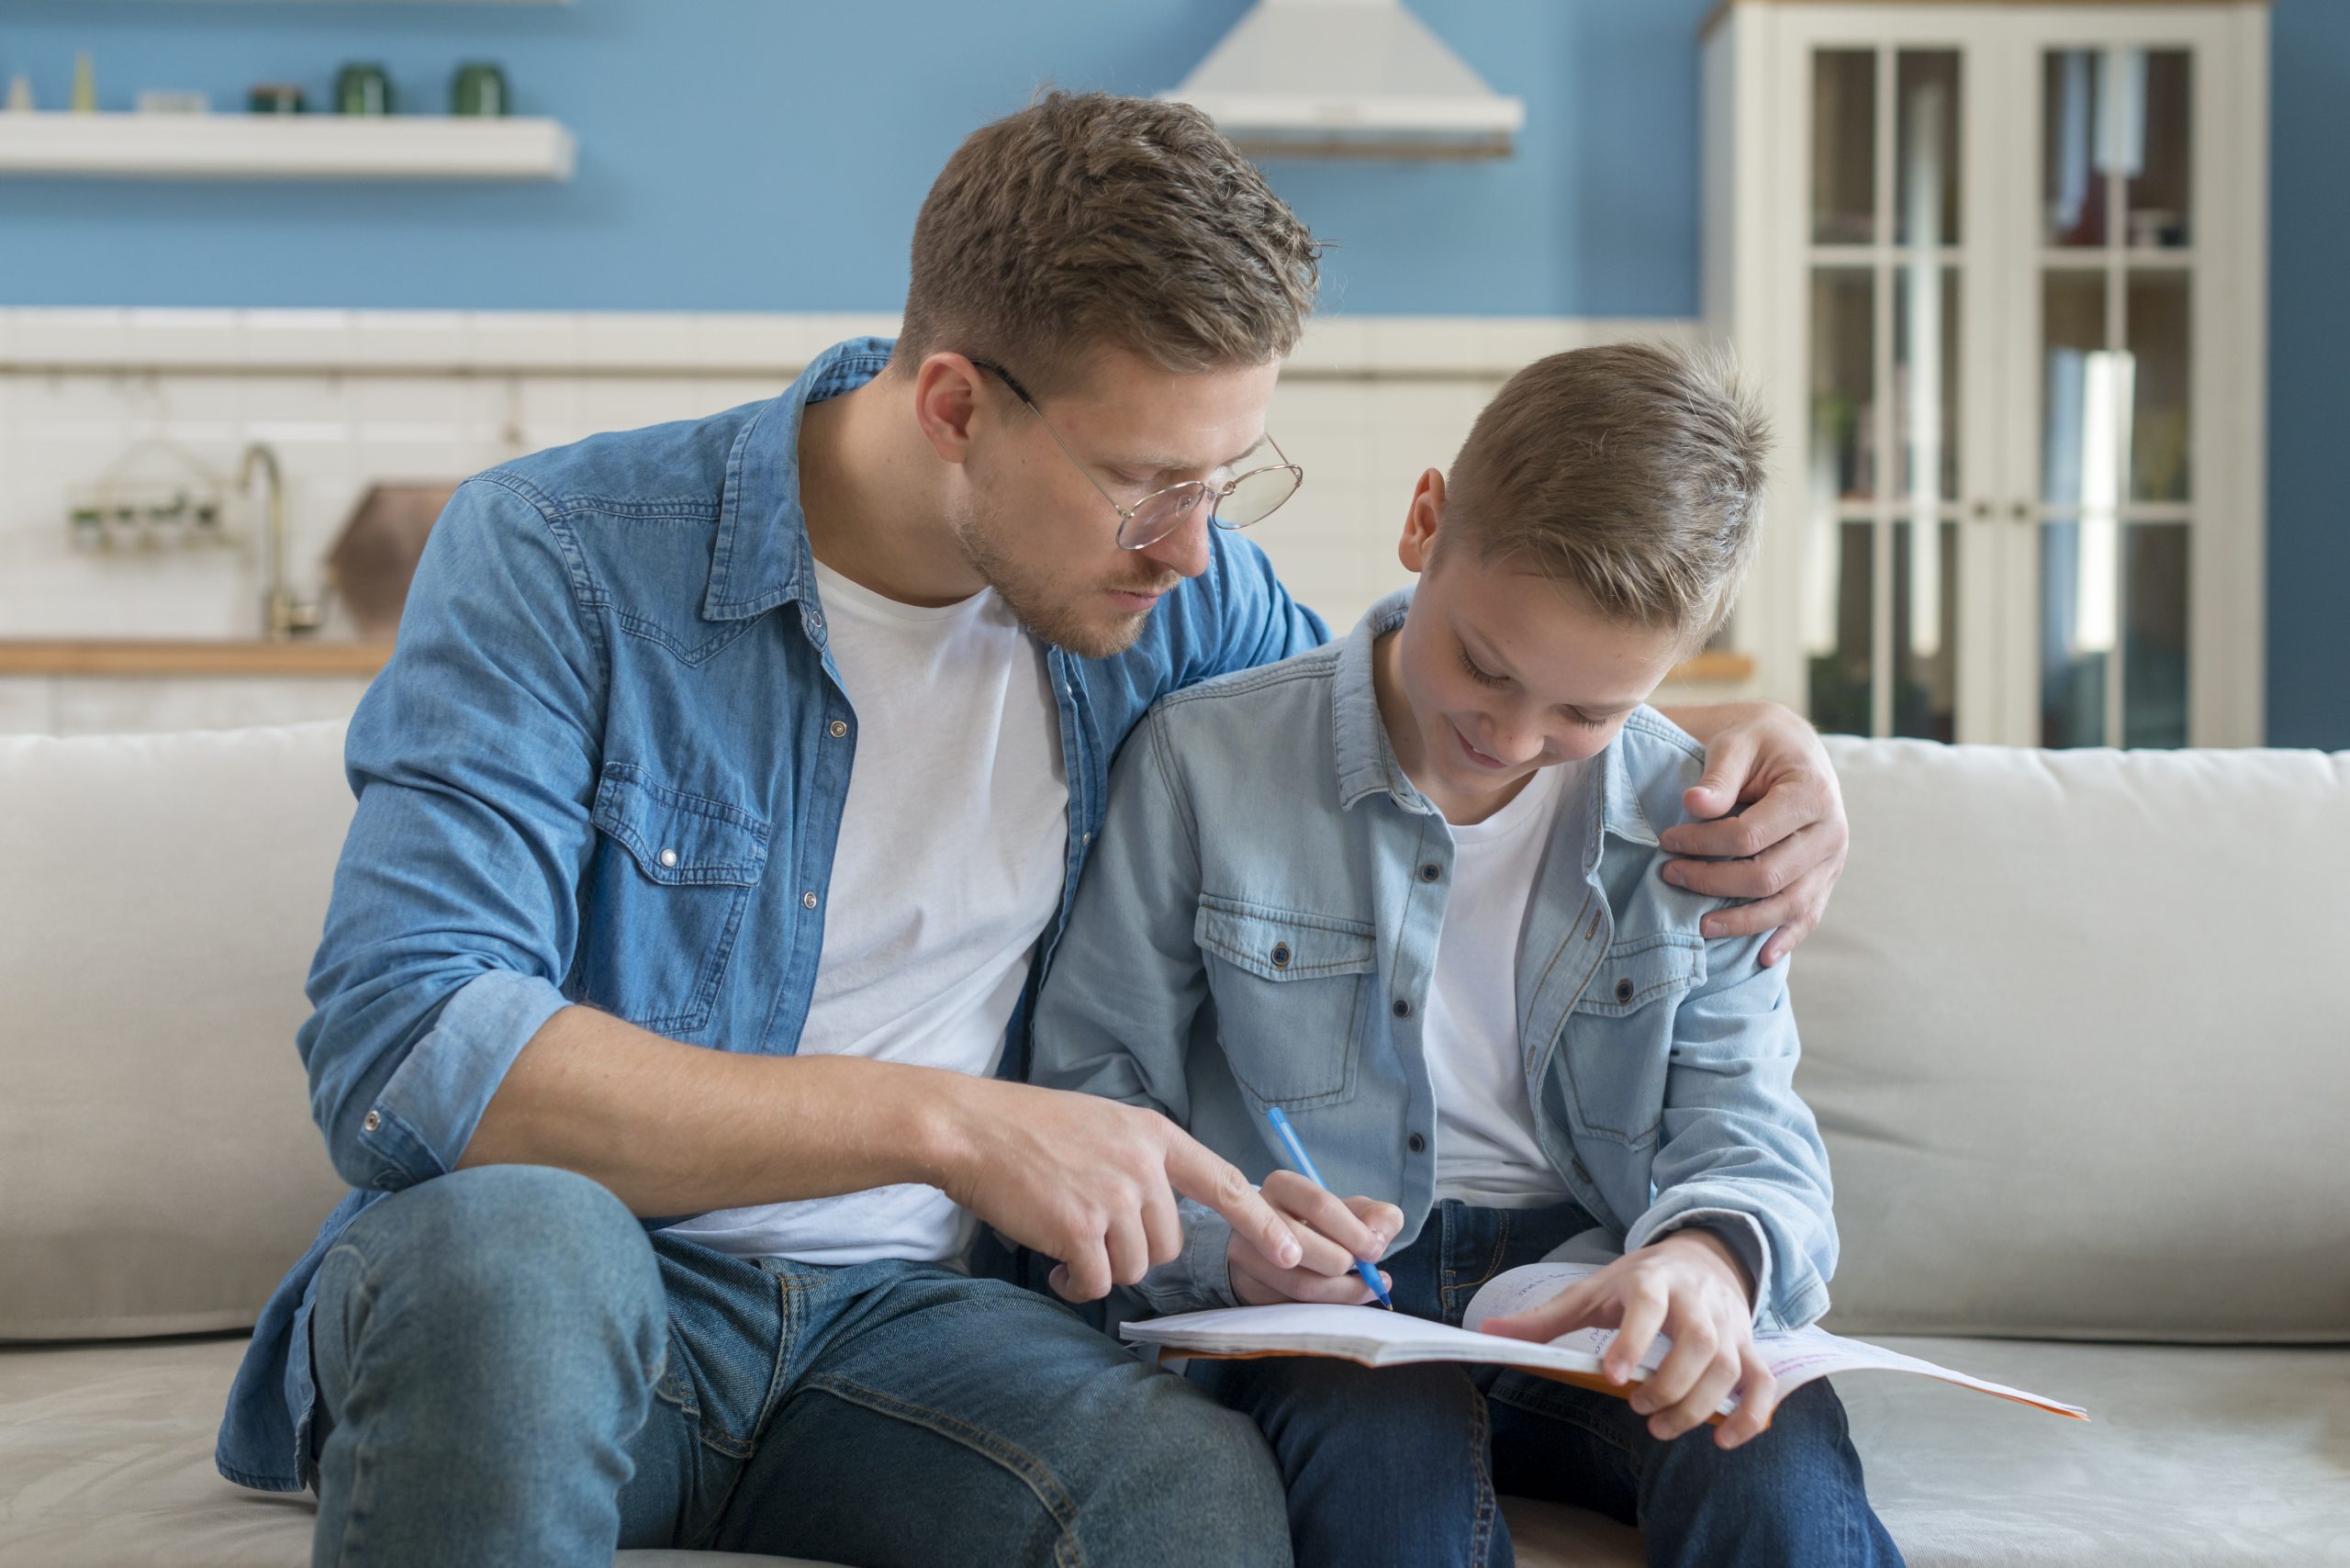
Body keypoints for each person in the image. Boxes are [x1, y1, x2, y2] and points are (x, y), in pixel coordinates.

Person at [212, 93, 1855, 1568]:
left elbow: (1429, 704)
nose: (1198, 551)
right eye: (1152, 485)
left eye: (1232, 479)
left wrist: (1744, 754)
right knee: (512, 1259)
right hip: (585, 1287)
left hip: (929, 1334)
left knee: (1194, 1504)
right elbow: (408, 1040)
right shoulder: (562, 558)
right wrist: (947, 1123)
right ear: (951, 406)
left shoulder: (1176, 616)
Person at [1030, 343, 1901, 1567]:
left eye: (1587, 713)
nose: (1512, 735)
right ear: (1424, 521)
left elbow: (1749, 1125)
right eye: (1485, 667)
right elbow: (1088, 1084)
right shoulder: (1205, 763)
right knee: (1381, 1477)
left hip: (1600, 1283)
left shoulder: (1701, 819)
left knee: (1768, 1446)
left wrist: (1708, 1260)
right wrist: (1235, 1250)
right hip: (1332, 1317)